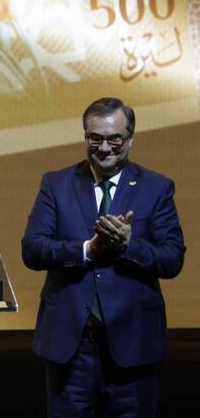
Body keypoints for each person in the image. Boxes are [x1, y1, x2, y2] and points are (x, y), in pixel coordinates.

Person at [21, 97, 185, 417]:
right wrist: (86, 250)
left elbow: (172, 258)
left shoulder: (157, 187)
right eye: (95, 138)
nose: (105, 148)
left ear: (130, 139)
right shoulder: (56, 184)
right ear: (85, 136)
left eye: (114, 139)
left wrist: (127, 245)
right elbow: (32, 249)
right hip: (72, 347)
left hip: (134, 345)